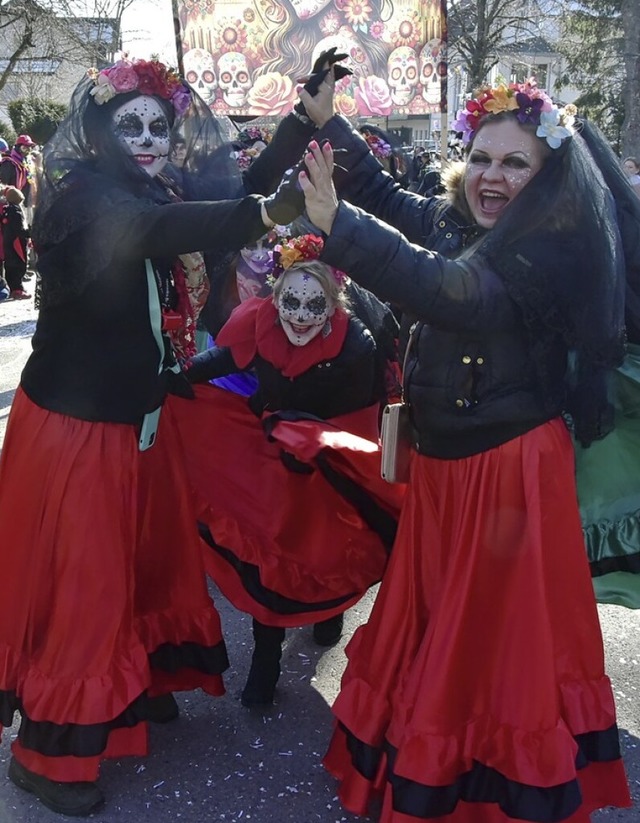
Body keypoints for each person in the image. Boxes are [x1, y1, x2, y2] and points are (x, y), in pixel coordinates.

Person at [295, 77, 631, 821]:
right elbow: (395, 200)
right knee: (443, 622)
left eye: (517, 164)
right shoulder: (463, 219)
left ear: (550, 178)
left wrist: (337, 228)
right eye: (482, 157)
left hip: (506, 471)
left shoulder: (547, 251)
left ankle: (485, 781)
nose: (493, 177)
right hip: (450, 469)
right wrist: (333, 127)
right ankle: (423, 750)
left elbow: (456, 293)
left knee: (494, 639)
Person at [0, 55, 302, 817]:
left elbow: (223, 194)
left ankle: (138, 682)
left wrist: (303, 126)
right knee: (87, 585)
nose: (145, 137)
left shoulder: (146, 186)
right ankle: (48, 754)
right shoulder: (84, 200)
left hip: (138, 417)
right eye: (128, 124)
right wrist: (270, 213)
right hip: (79, 426)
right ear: (100, 133)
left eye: (157, 126)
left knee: (145, 562)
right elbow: (173, 226)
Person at [175, 231, 404, 707]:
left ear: (334, 303)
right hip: (276, 450)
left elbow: (357, 424)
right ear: (275, 298)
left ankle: (329, 611)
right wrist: (178, 379)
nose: (300, 316)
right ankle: (266, 660)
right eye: (290, 302)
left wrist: (309, 439)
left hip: (334, 461)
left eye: (313, 305)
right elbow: (229, 358)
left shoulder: (355, 346)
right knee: (269, 554)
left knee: (334, 551)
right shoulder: (264, 324)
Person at [0, 184, 30, 299]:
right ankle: (17, 290)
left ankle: (15, 288)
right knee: (19, 264)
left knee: (10, 265)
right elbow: (20, 229)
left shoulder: (6, 210)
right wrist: (30, 233)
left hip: (7, 242)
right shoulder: (15, 210)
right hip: (16, 242)